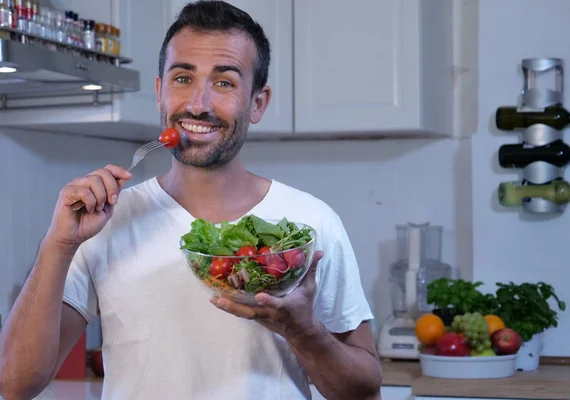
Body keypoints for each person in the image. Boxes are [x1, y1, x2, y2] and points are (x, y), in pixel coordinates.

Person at [0, 1, 382, 399]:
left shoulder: (308, 226)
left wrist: (304, 332)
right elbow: (14, 384)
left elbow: (364, 392)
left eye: (224, 83)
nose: (198, 104)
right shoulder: (106, 220)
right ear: (160, 91)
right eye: (183, 78)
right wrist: (59, 244)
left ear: (257, 103)